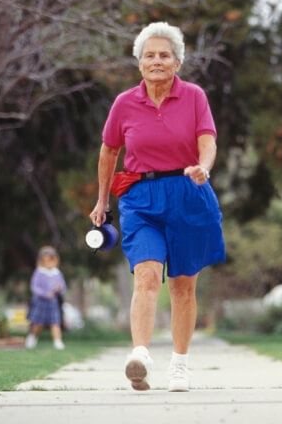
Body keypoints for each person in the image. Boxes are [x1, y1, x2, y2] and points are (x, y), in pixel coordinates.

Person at [90, 22, 225, 393]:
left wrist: (204, 167)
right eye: (149, 55)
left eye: (165, 55)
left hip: (187, 193)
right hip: (140, 197)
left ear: (178, 62)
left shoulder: (195, 96)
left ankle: (179, 364)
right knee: (146, 274)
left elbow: (207, 140)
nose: (157, 61)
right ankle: (141, 355)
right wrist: (102, 200)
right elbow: (108, 152)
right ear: (139, 64)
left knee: (183, 284)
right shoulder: (124, 103)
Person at [25, 246, 67, 350]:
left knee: (55, 322)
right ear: (41, 261)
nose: (48, 262)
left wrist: (59, 289)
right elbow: (34, 287)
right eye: (45, 260)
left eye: (50, 260)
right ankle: (32, 337)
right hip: (40, 302)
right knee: (38, 323)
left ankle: (58, 341)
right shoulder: (39, 272)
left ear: (55, 260)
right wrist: (44, 294)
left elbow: (63, 287)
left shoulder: (57, 273)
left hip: (53, 302)